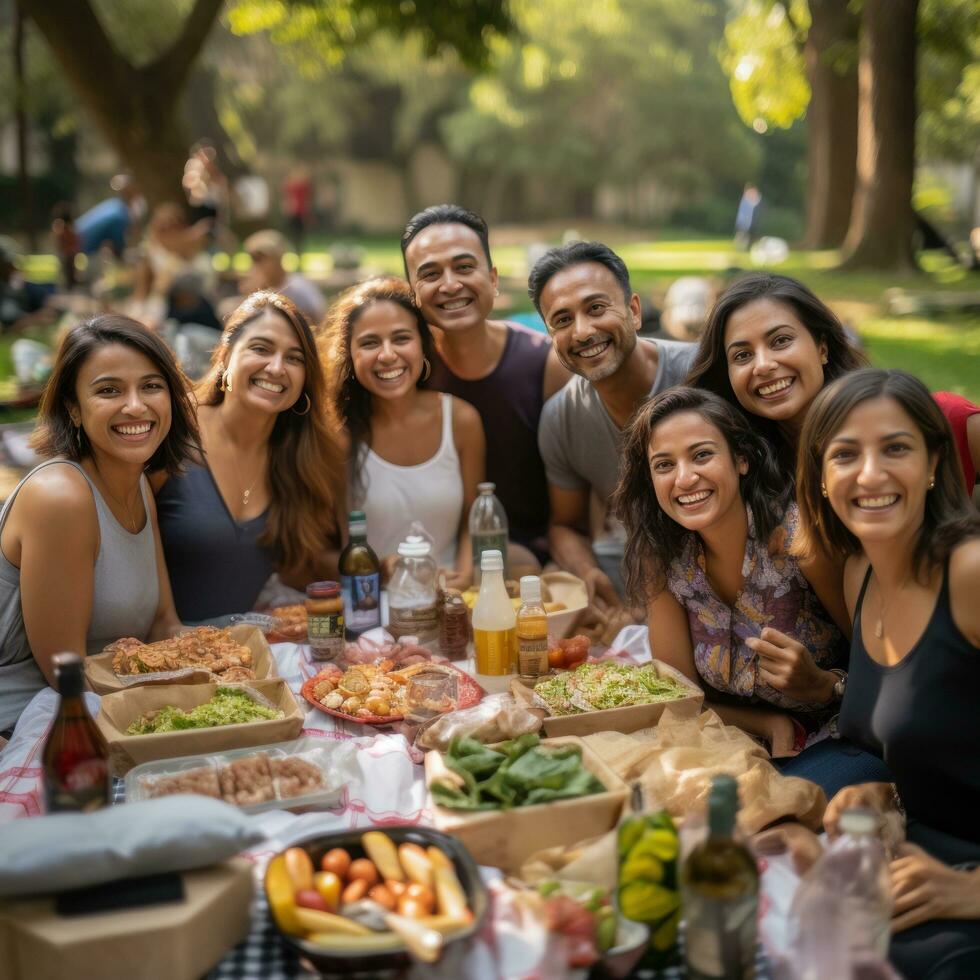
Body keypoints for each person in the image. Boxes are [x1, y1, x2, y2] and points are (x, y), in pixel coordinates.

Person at [795, 368, 980, 978]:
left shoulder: (970, 573)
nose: (870, 474)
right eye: (845, 454)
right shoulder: (859, 578)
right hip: (912, 867)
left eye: (895, 448)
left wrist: (974, 892)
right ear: (821, 479)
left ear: (933, 462)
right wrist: (887, 798)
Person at [613, 386, 849, 758]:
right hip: (733, 743)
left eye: (702, 455)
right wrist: (771, 724)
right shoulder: (663, 556)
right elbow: (680, 697)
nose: (684, 478)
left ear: (741, 459)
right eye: (664, 465)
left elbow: (882, 669)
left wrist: (822, 685)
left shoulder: (798, 538)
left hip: (842, 738)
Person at [0, 315, 198, 737]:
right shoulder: (61, 497)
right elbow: (65, 673)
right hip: (35, 724)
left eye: (151, 386)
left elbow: (164, 623)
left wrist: (221, 665)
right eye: (109, 390)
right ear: (73, 408)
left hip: (115, 703)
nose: (135, 406)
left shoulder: (139, 483)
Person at [153, 291, 344, 623]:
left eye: (294, 358)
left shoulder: (299, 458)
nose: (276, 367)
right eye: (261, 349)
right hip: (154, 655)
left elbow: (300, 568)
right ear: (226, 356)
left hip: (242, 659)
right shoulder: (172, 432)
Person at [529, 240, 696, 608]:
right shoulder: (561, 417)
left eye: (596, 308)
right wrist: (587, 572)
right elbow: (566, 526)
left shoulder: (699, 374)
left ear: (633, 311)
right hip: (631, 574)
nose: (583, 331)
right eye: (562, 320)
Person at [401, 204, 568, 567]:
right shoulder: (405, 372)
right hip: (431, 560)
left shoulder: (545, 363)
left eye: (464, 267)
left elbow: (574, 491)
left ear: (492, 279)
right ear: (413, 294)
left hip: (537, 561)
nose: (450, 285)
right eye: (430, 274)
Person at [325, 277, 484, 587]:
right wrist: (377, 569)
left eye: (401, 338)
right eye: (370, 343)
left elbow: (472, 519)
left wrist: (464, 575)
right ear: (350, 355)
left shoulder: (462, 420)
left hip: (451, 597)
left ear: (423, 345)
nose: (387, 355)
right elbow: (321, 551)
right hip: (374, 602)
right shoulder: (338, 438)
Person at [686, 273, 868, 475]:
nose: (763, 365)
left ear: (822, 348)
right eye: (743, 355)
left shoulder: (875, 435)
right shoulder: (736, 464)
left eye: (781, 341)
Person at [241, 229, 326, 326]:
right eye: (255, 259)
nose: (259, 265)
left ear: (278, 259)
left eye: (262, 259)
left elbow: (318, 320)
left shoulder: (299, 288)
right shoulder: (254, 286)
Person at [75, 174, 145, 257]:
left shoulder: (114, 204)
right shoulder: (121, 218)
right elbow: (119, 247)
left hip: (75, 239)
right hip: (79, 249)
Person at [734, 183, 762, 250]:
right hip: (744, 221)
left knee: (748, 236)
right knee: (742, 235)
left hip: (751, 222)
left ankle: (746, 247)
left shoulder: (754, 200)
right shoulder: (745, 200)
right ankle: (739, 247)